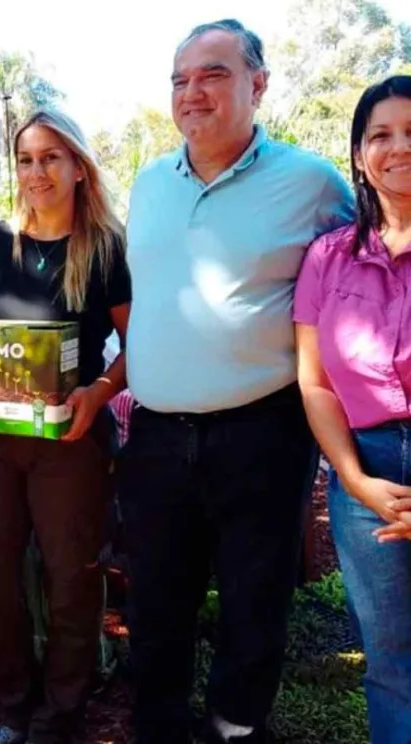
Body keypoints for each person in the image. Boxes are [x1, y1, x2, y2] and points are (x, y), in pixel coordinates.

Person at [119, 19, 356, 744]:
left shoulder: (314, 184)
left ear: (258, 84)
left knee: (255, 605)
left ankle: (235, 729)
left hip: (264, 432)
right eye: (180, 79)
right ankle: (158, 728)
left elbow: (359, 286)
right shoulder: (150, 182)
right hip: (155, 435)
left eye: (213, 75)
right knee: (156, 602)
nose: (192, 93)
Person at [0, 109, 130, 744]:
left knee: (70, 581)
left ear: (79, 168)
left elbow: (138, 348)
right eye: (26, 159)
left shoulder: (107, 248)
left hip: (71, 444)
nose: (37, 172)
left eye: (51, 158)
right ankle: (16, 704)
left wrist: (100, 391)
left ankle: (61, 717)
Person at [293, 74, 411, 744]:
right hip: (363, 471)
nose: (398, 148)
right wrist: (356, 479)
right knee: (390, 663)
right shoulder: (328, 258)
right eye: (381, 135)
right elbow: (315, 383)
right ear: (361, 154)